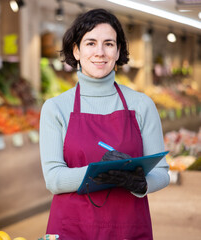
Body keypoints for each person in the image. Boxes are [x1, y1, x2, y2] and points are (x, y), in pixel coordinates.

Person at [39, 9, 170, 239]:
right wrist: (103, 173)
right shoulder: (55, 107)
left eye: (109, 44)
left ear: (118, 51)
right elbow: (54, 179)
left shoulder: (142, 105)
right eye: (90, 43)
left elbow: (162, 172)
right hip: (72, 228)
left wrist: (140, 184)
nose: (100, 52)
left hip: (128, 227)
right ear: (76, 51)